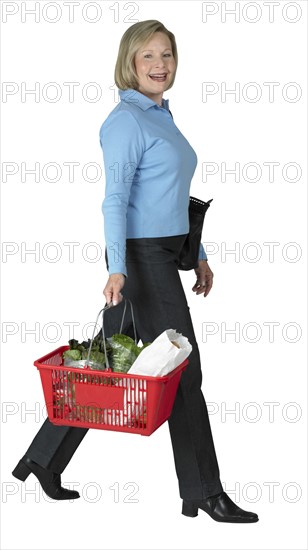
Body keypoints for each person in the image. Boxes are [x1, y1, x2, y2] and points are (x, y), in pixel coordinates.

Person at [12, 20, 259, 523]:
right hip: (140, 260)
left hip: (164, 253)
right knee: (182, 369)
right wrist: (119, 269)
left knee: (105, 362)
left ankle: (42, 459)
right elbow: (116, 201)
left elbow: (169, 198)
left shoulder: (162, 116)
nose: (160, 65)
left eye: (166, 54)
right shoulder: (125, 121)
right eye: (148, 56)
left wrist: (200, 253)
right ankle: (204, 491)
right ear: (129, 61)